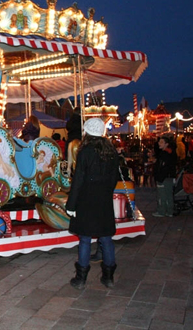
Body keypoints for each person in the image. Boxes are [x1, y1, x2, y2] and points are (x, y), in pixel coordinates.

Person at [66, 118, 119, 289]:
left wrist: (71, 205)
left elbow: (78, 180)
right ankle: (109, 276)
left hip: (86, 200)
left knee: (85, 239)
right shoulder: (111, 152)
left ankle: (81, 279)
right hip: (103, 200)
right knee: (106, 238)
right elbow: (113, 179)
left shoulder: (85, 151)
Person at [152, 135, 177, 217]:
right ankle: (169, 211)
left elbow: (163, 167)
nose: (159, 143)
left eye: (161, 142)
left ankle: (162, 211)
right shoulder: (170, 152)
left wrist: (159, 176)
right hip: (169, 177)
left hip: (164, 177)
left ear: (166, 144)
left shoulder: (165, 154)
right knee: (169, 194)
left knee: (162, 195)